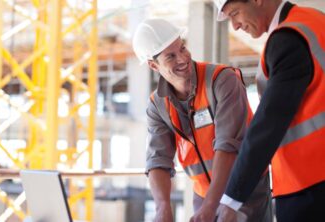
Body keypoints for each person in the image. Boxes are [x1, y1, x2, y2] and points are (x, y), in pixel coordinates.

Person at [132, 18, 272, 222]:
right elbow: (158, 159)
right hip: (203, 195)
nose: (182, 58)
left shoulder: (222, 80)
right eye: (170, 56)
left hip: (245, 192)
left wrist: (211, 205)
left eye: (182, 48)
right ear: (154, 66)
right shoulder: (157, 105)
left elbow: (228, 145)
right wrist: (162, 208)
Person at [214, 0, 325, 221]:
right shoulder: (315, 19)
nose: (235, 25)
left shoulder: (288, 39)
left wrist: (231, 200)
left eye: (235, 13)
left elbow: (268, 123)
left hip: (309, 186)